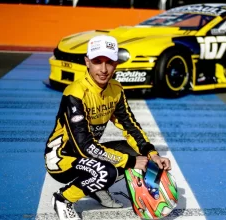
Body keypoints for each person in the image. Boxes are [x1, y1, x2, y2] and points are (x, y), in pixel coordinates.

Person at [44, 35, 172, 220]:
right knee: (107, 170)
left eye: (109, 62)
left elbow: (130, 126)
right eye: (97, 61)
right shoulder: (75, 93)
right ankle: (63, 199)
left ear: (116, 64)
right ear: (87, 62)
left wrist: (152, 155)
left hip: (86, 154)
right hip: (61, 158)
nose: (103, 69)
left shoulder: (116, 90)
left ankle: (97, 188)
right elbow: (84, 146)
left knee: (137, 154)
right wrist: (129, 162)